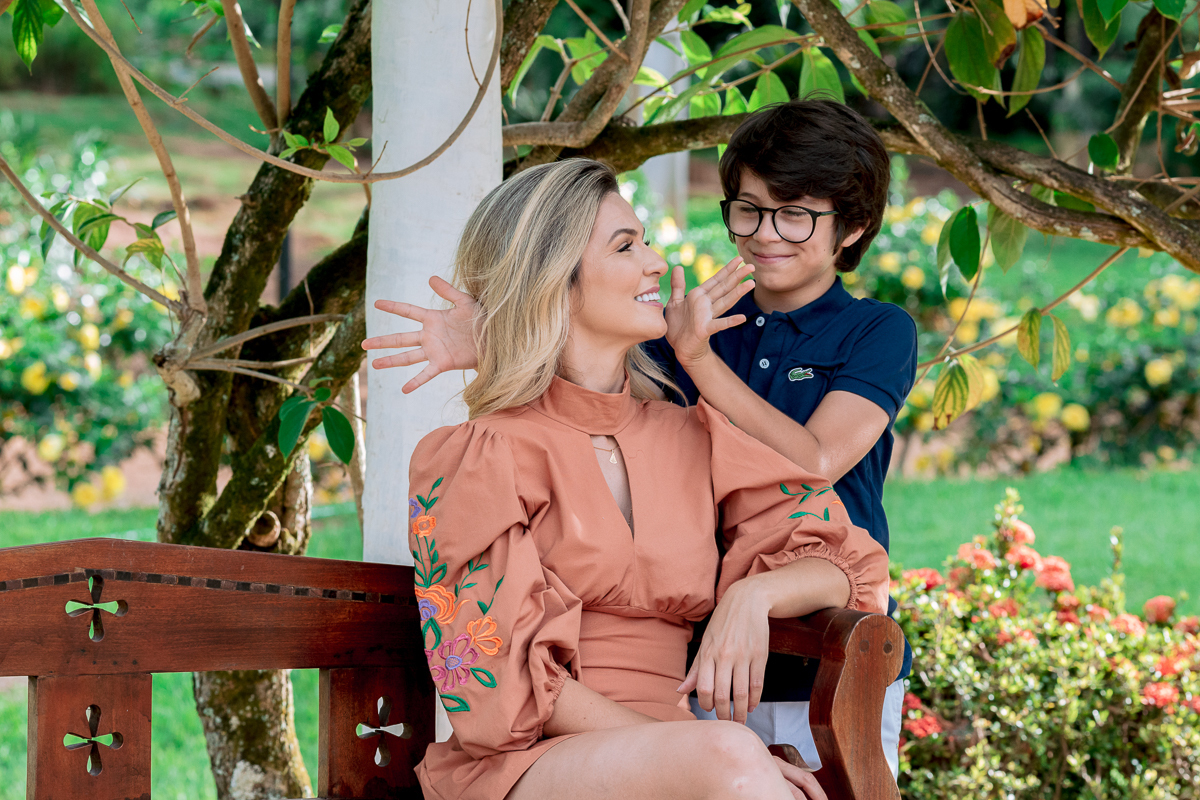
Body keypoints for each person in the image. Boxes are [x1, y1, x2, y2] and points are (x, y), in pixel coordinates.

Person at [364, 99, 916, 776]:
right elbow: (495, 671)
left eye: (795, 215)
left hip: (725, 715)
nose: (658, 263)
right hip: (575, 746)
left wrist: (753, 594)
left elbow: (846, 546)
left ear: (850, 230)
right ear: (553, 278)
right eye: (628, 246)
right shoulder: (484, 454)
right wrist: (498, 328)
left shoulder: (695, 418)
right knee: (737, 758)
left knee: (740, 762)